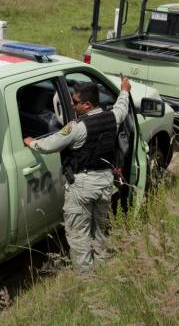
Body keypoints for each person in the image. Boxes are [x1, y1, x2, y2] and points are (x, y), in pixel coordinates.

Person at [23, 78, 132, 272]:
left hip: (82, 186)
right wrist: (124, 89)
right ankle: (103, 271)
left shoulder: (77, 128)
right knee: (100, 230)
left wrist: (32, 142)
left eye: (75, 102)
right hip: (105, 183)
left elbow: (49, 144)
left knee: (78, 236)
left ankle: (87, 281)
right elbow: (122, 105)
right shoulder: (113, 116)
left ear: (88, 105)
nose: (71, 105)